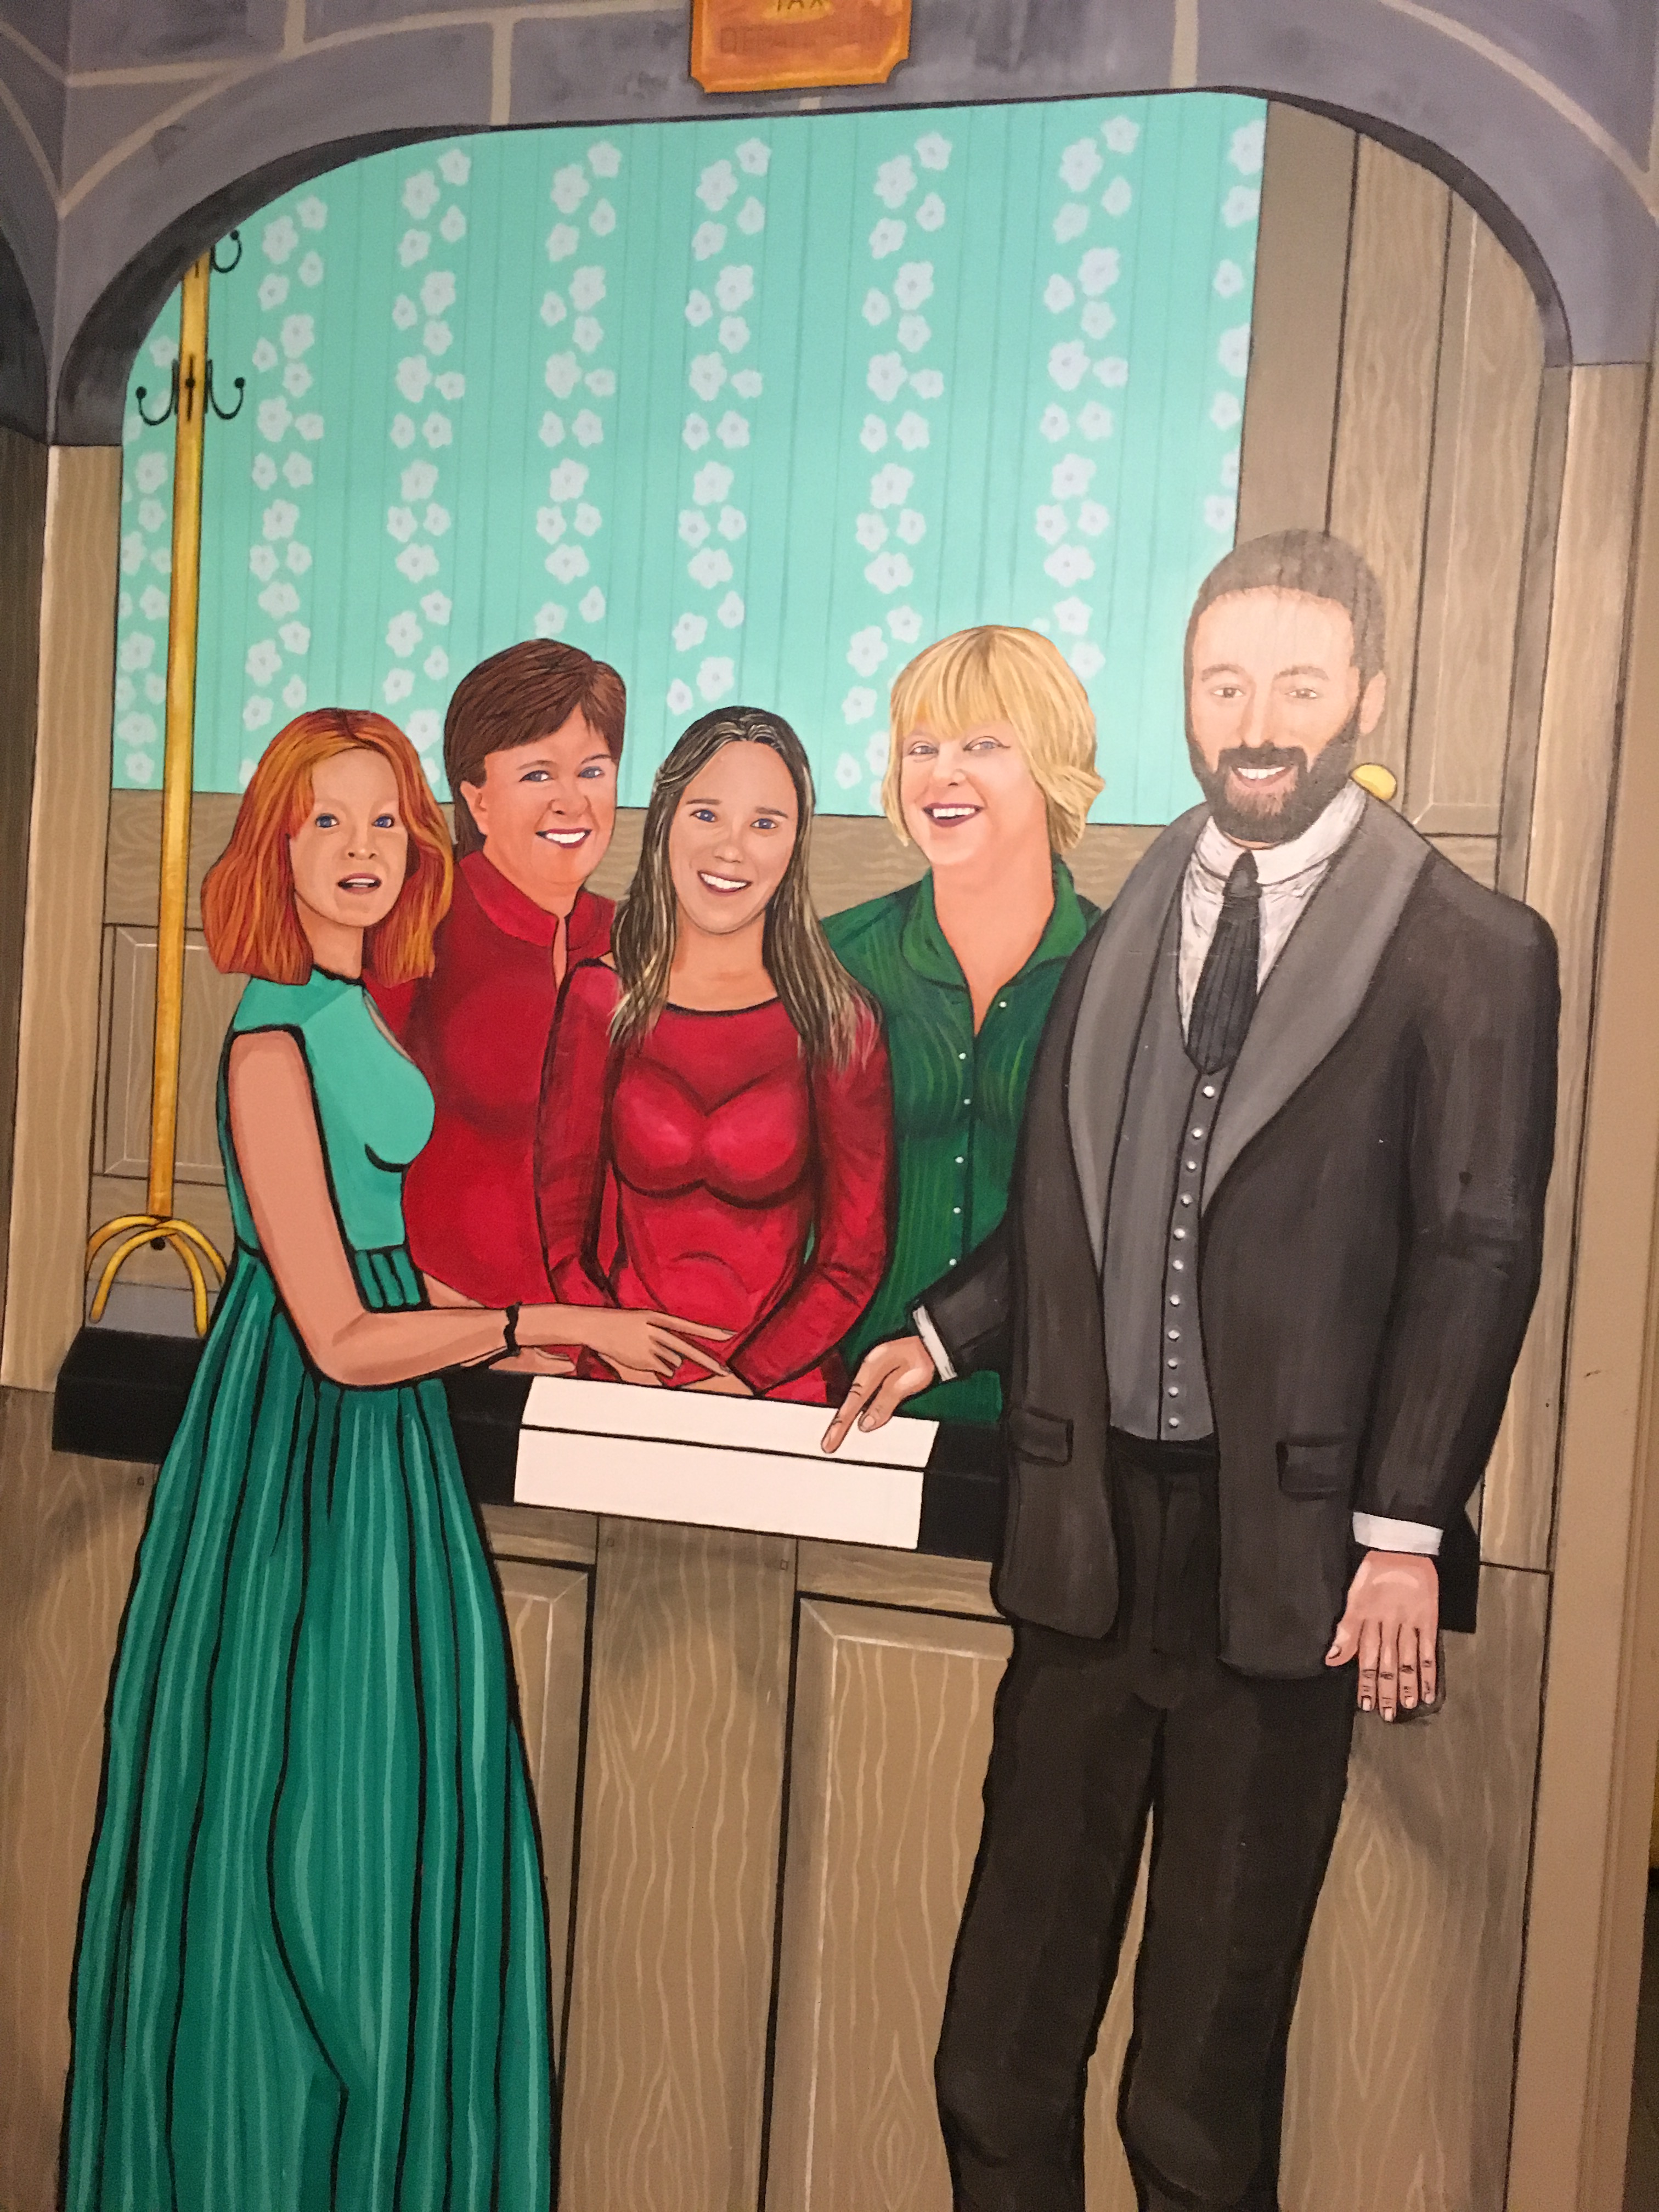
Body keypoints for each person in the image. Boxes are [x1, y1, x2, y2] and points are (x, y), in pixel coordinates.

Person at [823, 532, 1560, 2212]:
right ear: (1186, 698)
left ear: (1367, 696)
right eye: (1227, 683)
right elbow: (1077, 1204)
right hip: (1087, 1547)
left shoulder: (1472, 949)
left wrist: (1403, 1528)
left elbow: (1478, 1250)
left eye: (1298, 683)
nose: (1259, 720)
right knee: (994, 2063)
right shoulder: (1132, 915)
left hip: (1285, 1573)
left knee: (1195, 2103)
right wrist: (939, 1333)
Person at [62, 709, 727, 2212]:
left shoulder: (355, 1007)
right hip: (296, 1464)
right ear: (274, 850)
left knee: (401, 1824)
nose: (361, 849)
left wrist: (523, 1337)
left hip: (389, 1462)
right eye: (326, 823)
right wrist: (538, 1321)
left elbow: (381, 1264)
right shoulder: (270, 1040)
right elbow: (338, 1333)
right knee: (303, 1840)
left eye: (384, 821)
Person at [537, 706, 894, 1403]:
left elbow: (852, 1262)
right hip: (621, 1382)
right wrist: (611, 1341)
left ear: (796, 844)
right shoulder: (599, 998)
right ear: (666, 821)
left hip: (779, 1392)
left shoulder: (840, 1023)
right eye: (707, 815)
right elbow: (563, 1243)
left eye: (765, 824)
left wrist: (744, 1381)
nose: (732, 850)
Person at [823, 626, 1102, 1425]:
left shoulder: (1120, 972)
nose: (942, 773)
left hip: (1054, 1422)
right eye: (921, 748)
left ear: (1052, 764)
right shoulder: (835, 959)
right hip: (844, 1412)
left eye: (982, 744)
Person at [370, 639, 625, 1317]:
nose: (572, 801)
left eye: (593, 771)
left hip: (607, 1338)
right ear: (478, 801)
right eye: (538, 775)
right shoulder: (418, 922)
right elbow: (336, 1143)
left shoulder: (638, 940)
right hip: (445, 1324)